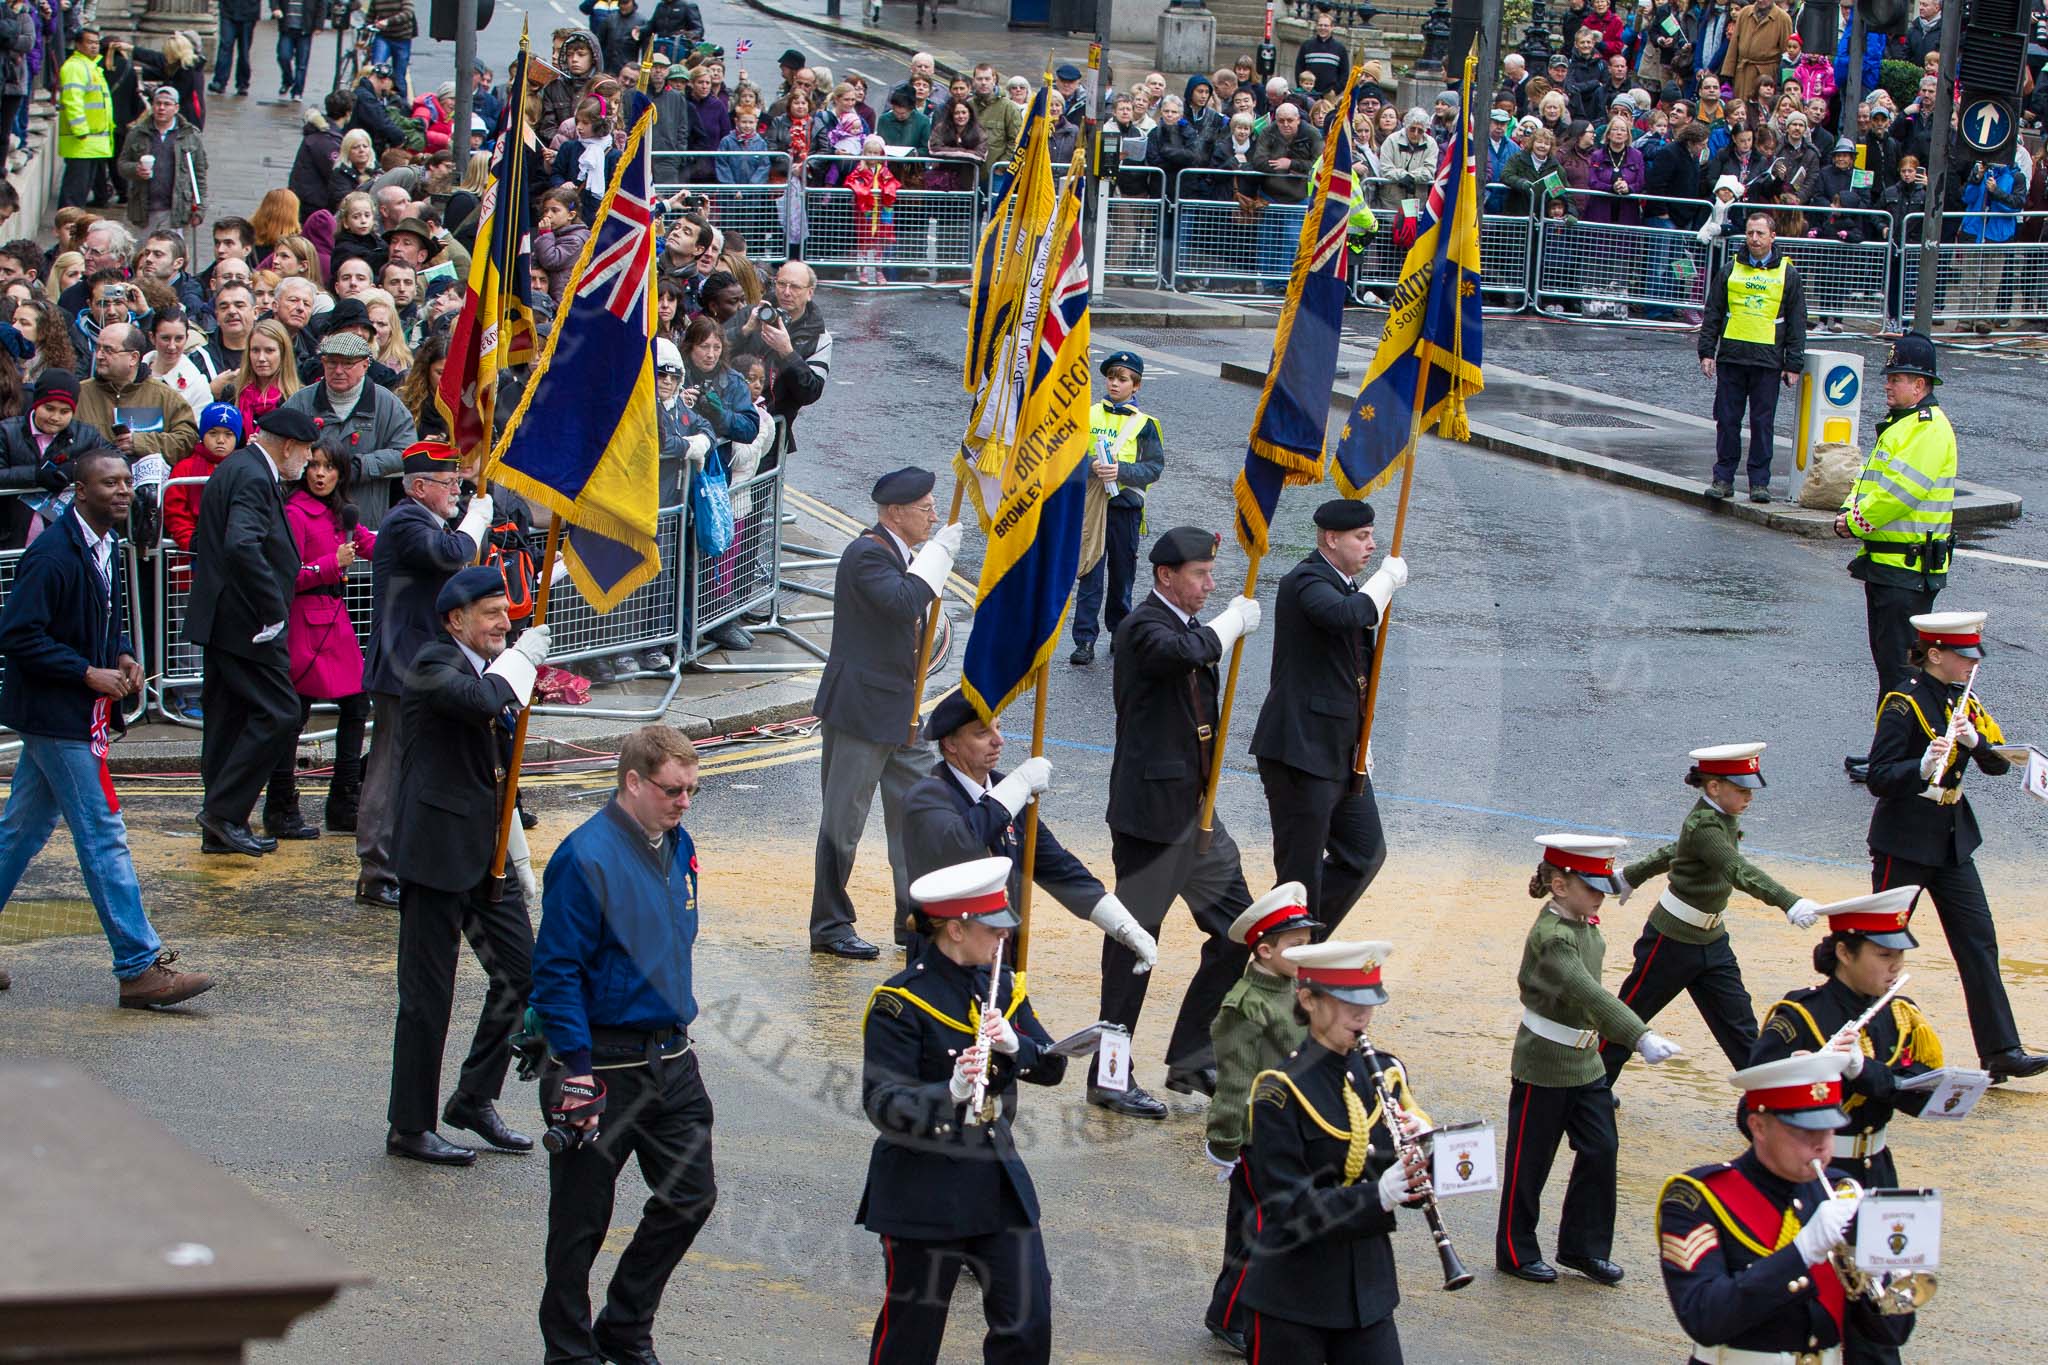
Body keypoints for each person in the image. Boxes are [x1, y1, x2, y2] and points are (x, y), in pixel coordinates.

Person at [0, 446, 215, 1007]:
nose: (123, 491)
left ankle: (138, 964)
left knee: (19, 833)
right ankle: (138, 965)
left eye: (125, 482)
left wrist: (119, 653)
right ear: (80, 491)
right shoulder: (51, 555)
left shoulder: (105, 546)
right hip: (58, 718)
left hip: (68, 713)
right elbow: (18, 634)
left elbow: (102, 616)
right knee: (103, 835)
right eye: (109, 484)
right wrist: (86, 672)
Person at [529, 724, 717, 1364]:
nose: (684, 802)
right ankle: (569, 1350)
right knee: (580, 1225)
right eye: (672, 790)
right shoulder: (585, 857)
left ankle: (625, 1326)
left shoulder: (679, 842)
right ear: (633, 782)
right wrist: (574, 1072)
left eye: (692, 790)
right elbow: (556, 972)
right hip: (604, 1065)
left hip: (672, 1060)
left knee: (691, 1196)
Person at [857, 855, 1067, 1365]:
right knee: (912, 1336)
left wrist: (1020, 1047)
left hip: (994, 1178)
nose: (1003, 940)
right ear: (955, 929)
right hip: (922, 1186)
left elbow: (1053, 1067)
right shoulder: (900, 1002)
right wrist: (948, 1091)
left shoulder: (1001, 985)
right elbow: (883, 1105)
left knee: (1028, 1321)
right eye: (993, 929)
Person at [386, 566, 550, 1166]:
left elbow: (499, 780)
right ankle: (409, 1127)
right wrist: (521, 663)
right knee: (427, 996)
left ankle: (473, 1098)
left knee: (524, 975)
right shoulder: (434, 663)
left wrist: (518, 856)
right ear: (455, 620)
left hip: (485, 858)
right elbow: (481, 701)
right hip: (435, 857)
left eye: (506, 613)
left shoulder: (487, 671)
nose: (504, 623)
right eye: (490, 614)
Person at [1100, 527, 1262, 1118]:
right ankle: (1110, 1074)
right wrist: (1230, 625)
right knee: (1134, 947)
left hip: (1198, 815)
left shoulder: (1190, 627)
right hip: (1150, 820)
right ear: (1166, 576)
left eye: (1211, 574)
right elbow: (1183, 656)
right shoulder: (1142, 626)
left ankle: (1194, 1056)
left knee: (1240, 931)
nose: (1210, 585)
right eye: (1200, 575)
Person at [1863, 610, 2047, 1080]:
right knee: (1876, 949)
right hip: (1903, 842)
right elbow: (1880, 778)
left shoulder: (1964, 700)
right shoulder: (1904, 704)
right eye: (1964, 657)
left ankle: (2000, 1049)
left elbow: (1998, 766)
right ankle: (1859, 1047)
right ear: (1936, 654)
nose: (1972, 665)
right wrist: (1920, 768)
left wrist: (1975, 742)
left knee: (1979, 943)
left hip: (1951, 840)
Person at [1498, 835, 1679, 1287]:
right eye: (1592, 886)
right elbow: (1589, 993)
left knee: (1602, 1148)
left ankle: (1584, 1246)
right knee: (1530, 1161)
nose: (1602, 894)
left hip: (1586, 1062)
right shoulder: (1553, 937)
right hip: (1545, 1061)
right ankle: (1516, 1251)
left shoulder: (1583, 923)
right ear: (1560, 885)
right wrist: (1640, 1035)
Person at [1237, 940, 1430, 1362]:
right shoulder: (1279, 1091)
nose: (1362, 1015)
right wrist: (1377, 1195)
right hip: (1294, 1296)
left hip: (1369, 1292)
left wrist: (1422, 1155)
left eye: (1369, 1002)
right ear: (1308, 999)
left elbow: (1402, 1183)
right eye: (1347, 1002)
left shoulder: (1382, 1072)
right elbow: (1287, 1207)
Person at [1657, 1050, 1915, 1362]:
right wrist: (1802, 1251)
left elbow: (1889, 1335)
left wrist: (1888, 1277)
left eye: (1829, 1129)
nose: (1821, 1143)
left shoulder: (1840, 1191)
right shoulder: (1697, 1198)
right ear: (1759, 1127)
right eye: (1805, 1131)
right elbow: (1705, 1317)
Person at [1600, 743, 1820, 1086]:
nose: (1749, 798)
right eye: (1741, 789)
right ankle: (1588, 1092)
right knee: (1629, 1019)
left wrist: (1634, 874)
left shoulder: (1721, 819)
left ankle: (1769, 1098)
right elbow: (1736, 869)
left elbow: (1677, 851)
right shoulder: (1706, 824)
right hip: (1672, 941)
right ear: (1714, 787)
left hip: (1711, 940)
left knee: (1741, 1027)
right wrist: (1787, 901)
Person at [808, 467, 960, 959]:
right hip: (860, 712)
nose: (933, 514)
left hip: (901, 713)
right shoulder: (866, 554)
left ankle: (913, 921)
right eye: (925, 508)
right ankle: (830, 925)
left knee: (917, 820)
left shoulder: (899, 553)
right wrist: (938, 556)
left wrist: (929, 555)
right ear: (896, 513)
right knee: (842, 826)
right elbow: (901, 603)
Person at [902, 689, 1158, 963]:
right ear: (950, 744)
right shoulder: (928, 796)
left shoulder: (1006, 794)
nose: (998, 741)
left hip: (1001, 960)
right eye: (982, 734)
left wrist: (1123, 926)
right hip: (945, 964)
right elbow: (962, 843)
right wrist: (1020, 784)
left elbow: (1059, 869)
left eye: (998, 728)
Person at [1248, 499, 1407, 937]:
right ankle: (1287, 958)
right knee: (1299, 875)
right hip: (1299, 751)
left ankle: (1304, 939)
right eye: (1362, 536)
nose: (1372, 545)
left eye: (1372, 535)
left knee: (1364, 852)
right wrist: (1386, 582)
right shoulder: (1305, 581)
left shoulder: (1348, 585)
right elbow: (1345, 618)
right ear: (1331, 539)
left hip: (1341, 749)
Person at [355, 440, 495, 907]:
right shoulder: (406, 521)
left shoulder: (423, 519)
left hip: (420, 665)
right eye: (448, 482)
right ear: (419, 486)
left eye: (457, 480)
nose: (457, 489)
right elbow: (449, 554)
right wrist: (476, 519)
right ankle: (377, 870)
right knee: (390, 767)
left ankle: (400, 860)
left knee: (413, 766)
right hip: (402, 665)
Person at [1750, 892, 1940, 1208]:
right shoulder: (1799, 1016)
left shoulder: (1901, 1015)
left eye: (1900, 955)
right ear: (1845, 953)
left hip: (1878, 1174)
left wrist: (1863, 1070)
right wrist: (1802, 1084)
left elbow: (1924, 1096)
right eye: (1883, 955)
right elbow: (1750, 1113)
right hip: (1811, 1177)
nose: (1895, 967)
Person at [185, 407, 318, 855]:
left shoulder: (240, 467)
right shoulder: (254, 475)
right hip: (247, 623)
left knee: (226, 721)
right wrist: (270, 610)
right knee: (280, 713)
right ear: (286, 446)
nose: (307, 464)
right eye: (305, 454)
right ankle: (222, 813)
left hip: (227, 619)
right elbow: (241, 543)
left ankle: (219, 827)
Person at [1201, 884, 1320, 1354]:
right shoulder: (1245, 1005)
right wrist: (1227, 1142)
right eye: (1296, 945)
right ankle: (1229, 1315)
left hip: (1291, 1132)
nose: (1306, 951)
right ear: (1265, 950)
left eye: (1308, 942)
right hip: (1256, 1138)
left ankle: (1252, 1310)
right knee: (1257, 1232)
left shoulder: (1297, 989)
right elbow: (1236, 1081)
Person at [1836, 334, 1953, 784]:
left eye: (1898, 378)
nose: (1889, 385)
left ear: (1920, 385)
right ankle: (1888, 753)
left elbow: (1899, 494)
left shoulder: (1926, 428)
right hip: (1890, 566)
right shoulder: (1902, 424)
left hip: (1906, 568)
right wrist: (1851, 509)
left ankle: (1904, 760)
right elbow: (1870, 480)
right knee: (1892, 669)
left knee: (1904, 673)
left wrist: (1855, 523)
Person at [261, 443, 377, 838]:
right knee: (292, 714)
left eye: (328, 467)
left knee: (357, 703)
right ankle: (280, 804)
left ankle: (344, 799)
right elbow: (286, 574)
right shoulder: (294, 512)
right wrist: (332, 565)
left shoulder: (340, 513)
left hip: (333, 620)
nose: (320, 474)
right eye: (313, 466)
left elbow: (374, 546)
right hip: (303, 620)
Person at [1698, 211, 1806, 502]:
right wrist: (1707, 351)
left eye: (1760, 233)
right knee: (1727, 421)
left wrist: (1793, 363)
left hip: (1767, 361)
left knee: (1762, 424)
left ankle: (1759, 482)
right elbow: (1714, 312)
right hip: (1732, 357)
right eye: (1750, 233)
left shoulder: (1787, 273)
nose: (1754, 239)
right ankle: (1723, 479)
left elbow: (1797, 321)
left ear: (1773, 236)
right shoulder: (1730, 269)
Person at [1069, 350, 1163, 667]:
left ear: (1136, 386)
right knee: (1090, 572)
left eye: (1122, 379)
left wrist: (1120, 470)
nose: (1115, 383)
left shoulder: (1146, 425)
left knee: (1122, 576)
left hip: (1125, 509)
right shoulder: (1089, 414)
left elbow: (1153, 468)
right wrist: (1091, 466)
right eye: (1111, 377)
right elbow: (1066, 458)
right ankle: (1084, 639)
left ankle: (1120, 634)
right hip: (1093, 507)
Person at [279, 319, 418, 527]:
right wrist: (314, 465)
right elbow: (280, 448)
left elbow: (406, 451)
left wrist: (360, 466)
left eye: (347, 364)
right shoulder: (300, 402)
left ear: (365, 364)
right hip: (308, 521)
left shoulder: (387, 405)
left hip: (365, 516)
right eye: (332, 362)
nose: (338, 370)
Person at [115, 86, 207, 237]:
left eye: (167, 104)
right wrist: (136, 169)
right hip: (144, 209)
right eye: (158, 103)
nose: (161, 108)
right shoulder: (137, 133)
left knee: (169, 253)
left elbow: (199, 175)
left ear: (176, 108)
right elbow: (122, 165)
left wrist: (200, 208)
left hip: (174, 211)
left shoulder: (190, 135)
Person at [58, 28, 116, 211]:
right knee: (74, 194)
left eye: (96, 43)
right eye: (89, 42)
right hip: (82, 141)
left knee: (80, 193)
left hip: (92, 142)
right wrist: (81, 130)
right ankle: (69, 230)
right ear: (78, 45)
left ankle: (74, 228)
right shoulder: (76, 67)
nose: (94, 47)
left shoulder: (91, 66)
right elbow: (72, 100)